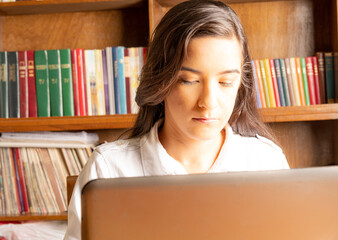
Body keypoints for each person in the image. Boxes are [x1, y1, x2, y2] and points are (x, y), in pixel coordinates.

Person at [64, 0, 289, 239]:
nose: (208, 102)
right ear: (162, 80)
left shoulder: (266, 161)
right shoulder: (109, 170)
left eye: (225, 82)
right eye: (190, 81)